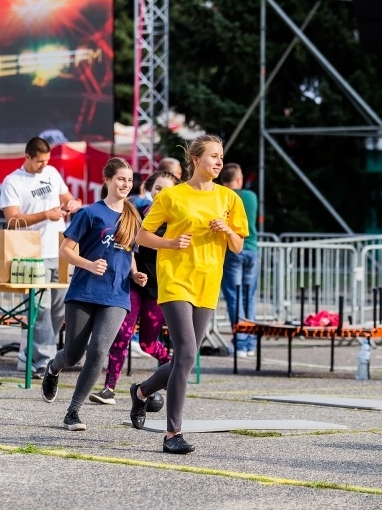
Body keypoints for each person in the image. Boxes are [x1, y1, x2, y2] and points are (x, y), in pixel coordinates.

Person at [128, 134, 248, 454]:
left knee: (187, 358)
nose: (219, 161)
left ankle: (141, 392)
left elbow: (239, 246)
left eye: (221, 156)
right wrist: (170, 243)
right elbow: (143, 236)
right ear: (196, 160)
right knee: (185, 353)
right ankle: (172, 434)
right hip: (175, 280)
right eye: (213, 156)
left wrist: (228, 231)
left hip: (207, 283)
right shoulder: (172, 197)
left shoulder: (228, 199)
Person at [40, 157, 145, 430]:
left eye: (130, 180)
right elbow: (65, 250)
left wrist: (135, 274)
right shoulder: (89, 213)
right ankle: (53, 368)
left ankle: (73, 411)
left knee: (99, 351)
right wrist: (88, 264)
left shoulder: (133, 216)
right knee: (74, 355)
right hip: (84, 292)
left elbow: (129, 253)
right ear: (107, 180)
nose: (126, 184)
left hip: (116, 296)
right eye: (121, 178)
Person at [89, 170, 180, 405]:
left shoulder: (178, 219)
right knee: (123, 334)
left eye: (168, 190)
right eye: (158, 188)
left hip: (160, 288)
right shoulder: (137, 214)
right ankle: (109, 388)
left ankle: (173, 367)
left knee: (149, 343)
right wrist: (134, 271)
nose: (162, 194)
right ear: (149, 189)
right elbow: (130, 246)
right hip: (134, 284)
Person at [0, 137, 81, 378]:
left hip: (59, 249)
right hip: (30, 253)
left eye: (46, 161)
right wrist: (46, 214)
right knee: (40, 309)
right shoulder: (13, 181)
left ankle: (29, 354)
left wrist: (72, 203)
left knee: (58, 309)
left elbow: (66, 198)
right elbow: (12, 219)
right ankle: (47, 360)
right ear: (27, 157)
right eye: (39, 162)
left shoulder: (53, 173)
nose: (43, 165)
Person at [219, 163, 259, 356]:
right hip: (252, 248)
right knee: (248, 297)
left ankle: (241, 342)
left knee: (234, 297)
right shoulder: (251, 196)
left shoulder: (224, 197)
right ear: (238, 179)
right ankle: (250, 342)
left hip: (233, 249)